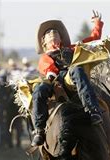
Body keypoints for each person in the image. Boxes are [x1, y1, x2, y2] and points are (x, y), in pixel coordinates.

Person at [30, 11, 104, 146]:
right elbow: (46, 68)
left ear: (61, 38)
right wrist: (51, 74)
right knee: (39, 90)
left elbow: (93, 38)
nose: (53, 34)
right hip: (50, 81)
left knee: (77, 69)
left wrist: (97, 24)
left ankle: (93, 111)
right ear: (44, 41)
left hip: (68, 77)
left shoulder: (71, 48)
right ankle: (39, 130)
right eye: (49, 34)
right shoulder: (44, 57)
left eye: (55, 33)